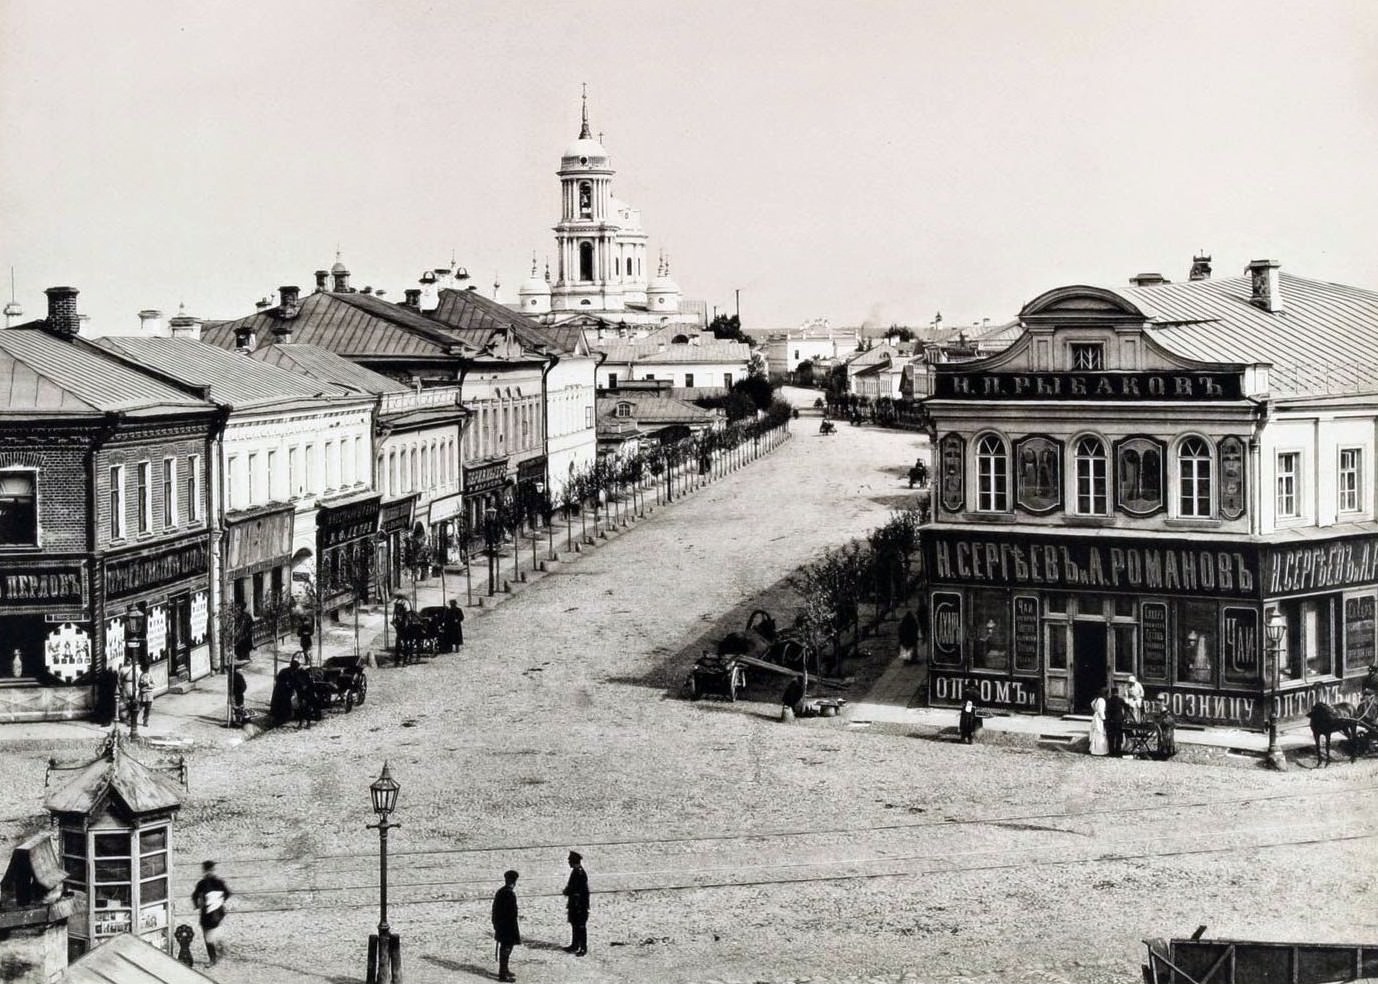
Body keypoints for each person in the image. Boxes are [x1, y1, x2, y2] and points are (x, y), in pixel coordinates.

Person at [191, 861, 232, 967]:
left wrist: (197, 905)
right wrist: (220, 902)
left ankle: (213, 958)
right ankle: (220, 947)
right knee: (215, 930)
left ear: (204, 870)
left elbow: (194, 896)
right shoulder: (219, 882)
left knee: (207, 936)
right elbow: (227, 893)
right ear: (213, 870)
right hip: (218, 911)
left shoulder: (202, 883)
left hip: (207, 912)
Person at [491, 869, 521, 983]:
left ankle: (504, 969)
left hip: (502, 925)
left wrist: (495, 924)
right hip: (508, 926)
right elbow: (512, 912)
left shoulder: (501, 891)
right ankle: (502, 975)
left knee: (506, 948)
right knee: (506, 948)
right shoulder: (509, 893)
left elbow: (495, 910)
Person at [562, 850, 590, 956]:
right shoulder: (576, 871)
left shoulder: (579, 873)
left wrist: (568, 892)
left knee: (581, 926)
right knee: (575, 925)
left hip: (579, 905)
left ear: (574, 861)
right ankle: (574, 945)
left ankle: (583, 948)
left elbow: (579, 890)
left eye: (570, 860)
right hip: (575, 904)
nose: (568, 862)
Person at [270, 660, 297, 726]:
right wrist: (286, 684)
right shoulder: (284, 672)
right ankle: (279, 719)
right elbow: (278, 679)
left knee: (285, 704)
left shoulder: (293, 672)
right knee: (281, 704)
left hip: (286, 691)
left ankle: (283, 717)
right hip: (281, 691)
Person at [1106, 686, 1126, 758]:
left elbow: (1107, 711)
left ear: (1111, 693)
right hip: (1119, 720)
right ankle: (1118, 751)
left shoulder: (1108, 700)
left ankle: (1111, 751)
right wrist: (1124, 716)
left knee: (1111, 737)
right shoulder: (1121, 700)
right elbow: (1127, 707)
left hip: (1111, 720)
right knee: (1118, 736)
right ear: (1117, 693)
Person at [1089, 688, 1110, 756]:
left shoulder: (1096, 699)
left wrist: (1095, 710)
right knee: (1100, 732)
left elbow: (1092, 704)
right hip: (1099, 718)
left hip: (1096, 716)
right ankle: (1100, 750)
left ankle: (1094, 749)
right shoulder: (1102, 700)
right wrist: (1104, 719)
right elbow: (1101, 711)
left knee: (1095, 732)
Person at [118, 660, 137, 731]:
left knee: (133, 703)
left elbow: (137, 677)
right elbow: (119, 678)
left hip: (132, 686)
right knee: (126, 703)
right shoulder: (122, 669)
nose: (129, 662)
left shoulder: (134, 668)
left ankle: (130, 717)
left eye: (130, 661)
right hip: (125, 686)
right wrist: (120, 686)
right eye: (128, 661)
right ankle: (127, 717)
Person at [136, 662, 155, 728]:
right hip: (142, 694)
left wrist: (148, 684)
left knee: (148, 709)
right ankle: (134, 719)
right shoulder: (141, 675)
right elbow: (138, 684)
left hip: (149, 694)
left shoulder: (150, 675)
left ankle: (145, 721)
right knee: (138, 707)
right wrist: (141, 684)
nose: (146, 670)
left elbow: (153, 685)